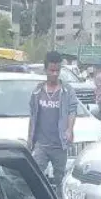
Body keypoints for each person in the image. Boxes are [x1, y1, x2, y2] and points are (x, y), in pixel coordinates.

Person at [27, 51, 78, 188]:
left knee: (60, 180)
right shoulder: (37, 92)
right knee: (35, 175)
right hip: (41, 145)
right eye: (52, 70)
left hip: (59, 145)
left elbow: (72, 110)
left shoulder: (67, 91)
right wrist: (30, 139)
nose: (55, 74)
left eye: (57, 70)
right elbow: (33, 116)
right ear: (45, 70)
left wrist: (69, 129)